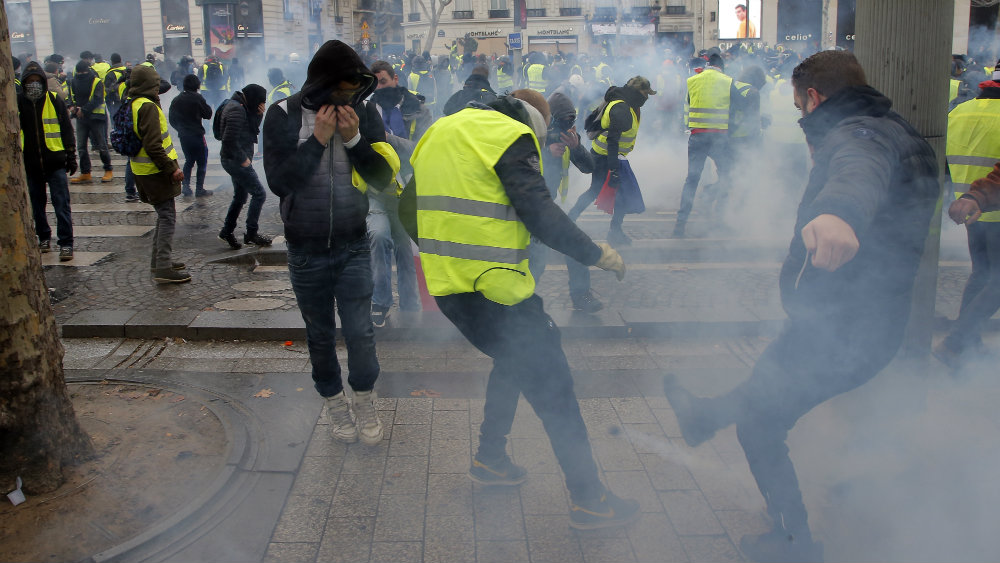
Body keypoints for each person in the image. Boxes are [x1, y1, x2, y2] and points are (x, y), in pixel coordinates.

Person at [662, 51, 939, 562]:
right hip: (844, 318)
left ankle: (794, 543)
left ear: (814, 98)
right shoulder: (893, 126)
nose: (801, 119)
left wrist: (839, 213)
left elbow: (860, 169)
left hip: (848, 328)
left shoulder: (859, 134)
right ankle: (703, 418)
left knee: (762, 423)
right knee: (767, 381)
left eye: (799, 107)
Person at [407, 89, 638, 530]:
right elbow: (539, 210)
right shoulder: (510, 134)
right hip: (497, 293)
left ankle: (490, 457)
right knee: (556, 390)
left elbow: (409, 210)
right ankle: (590, 500)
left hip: (450, 290)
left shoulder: (436, 132)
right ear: (533, 121)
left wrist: (446, 256)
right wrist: (595, 254)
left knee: (510, 361)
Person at [263, 40, 396, 445]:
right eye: (340, 91)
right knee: (319, 335)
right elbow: (279, 182)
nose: (348, 100)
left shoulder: (366, 112)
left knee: (360, 333)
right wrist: (317, 140)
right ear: (321, 84)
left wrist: (355, 140)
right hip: (305, 249)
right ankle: (337, 407)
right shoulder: (282, 114)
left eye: (354, 92)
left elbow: (382, 178)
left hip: (354, 243)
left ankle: (365, 401)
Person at [934, 66, 1000, 369]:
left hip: (971, 210)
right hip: (990, 205)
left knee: (982, 274)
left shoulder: (959, 112)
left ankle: (967, 344)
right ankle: (957, 341)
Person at [367, 60, 430, 327]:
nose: (378, 88)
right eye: (374, 84)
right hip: (376, 187)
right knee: (378, 236)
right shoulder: (367, 109)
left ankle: (410, 307)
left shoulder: (418, 109)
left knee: (405, 248)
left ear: (395, 79)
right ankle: (380, 302)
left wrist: (388, 139)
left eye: (382, 81)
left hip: (406, 189)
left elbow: (423, 149)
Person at [529, 92, 602, 312]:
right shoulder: (535, 132)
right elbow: (519, 163)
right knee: (536, 259)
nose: (569, 125)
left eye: (572, 120)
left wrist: (576, 147)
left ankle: (582, 296)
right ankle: (521, 303)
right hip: (535, 206)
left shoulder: (569, 134)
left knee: (576, 248)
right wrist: (545, 152)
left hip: (556, 206)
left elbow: (589, 167)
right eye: (565, 120)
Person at [567, 75, 656, 247]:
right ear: (638, 92)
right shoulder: (621, 107)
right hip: (606, 157)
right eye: (646, 94)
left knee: (619, 195)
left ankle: (613, 231)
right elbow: (613, 141)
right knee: (597, 191)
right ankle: (572, 222)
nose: (647, 98)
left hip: (612, 157)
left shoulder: (626, 102)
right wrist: (614, 170)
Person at [129, 64, 190, 283]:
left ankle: (159, 262)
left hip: (143, 169)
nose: (158, 89)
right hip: (154, 171)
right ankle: (163, 267)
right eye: (154, 85)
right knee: (167, 216)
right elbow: (154, 145)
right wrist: (171, 168)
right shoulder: (147, 107)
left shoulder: (135, 102)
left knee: (164, 215)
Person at [673, 54, 740, 238]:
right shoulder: (728, 81)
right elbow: (739, 106)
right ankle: (718, 220)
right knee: (727, 176)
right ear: (721, 67)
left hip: (697, 136)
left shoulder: (692, 80)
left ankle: (680, 226)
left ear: (708, 65)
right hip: (719, 137)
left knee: (692, 179)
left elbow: (688, 104)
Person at [18, 61, 77, 261]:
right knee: (37, 205)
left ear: (42, 82)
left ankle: (66, 243)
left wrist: (71, 155)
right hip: (31, 163)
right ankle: (43, 237)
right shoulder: (18, 102)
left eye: (37, 81)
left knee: (62, 204)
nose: (33, 84)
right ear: (24, 83)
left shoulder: (54, 100)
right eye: (30, 81)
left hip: (55, 161)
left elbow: (67, 129)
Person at [217, 84, 273, 249]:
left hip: (234, 159)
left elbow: (252, 129)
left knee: (240, 197)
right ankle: (251, 233)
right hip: (235, 160)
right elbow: (228, 140)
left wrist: (259, 115)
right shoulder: (236, 110)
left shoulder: (241, 107)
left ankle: (227, 231)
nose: (261, 105)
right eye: (260, 103)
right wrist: (243, 159)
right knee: (259, 194)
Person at [168, 74, 214, 198]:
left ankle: (186, 187)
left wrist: (180, 129)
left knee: (189, 161)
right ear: (197, 85)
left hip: (184, 136)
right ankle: (199, 189)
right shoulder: (198, 98)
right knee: (202, 161)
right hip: (197, 135)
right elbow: (208, 114)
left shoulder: (177, 99)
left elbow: (171, 119)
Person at [68, 60, 113, 184]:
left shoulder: (96, 81)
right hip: (81, 118)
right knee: (81, 147)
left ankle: (108, 169)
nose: (82, 74)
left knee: (102, 146)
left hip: (96, 118)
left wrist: (83, 110)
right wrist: (72, 107)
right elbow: (71, 97)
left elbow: (98, 99)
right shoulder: (73, 81)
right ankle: (85, 172)